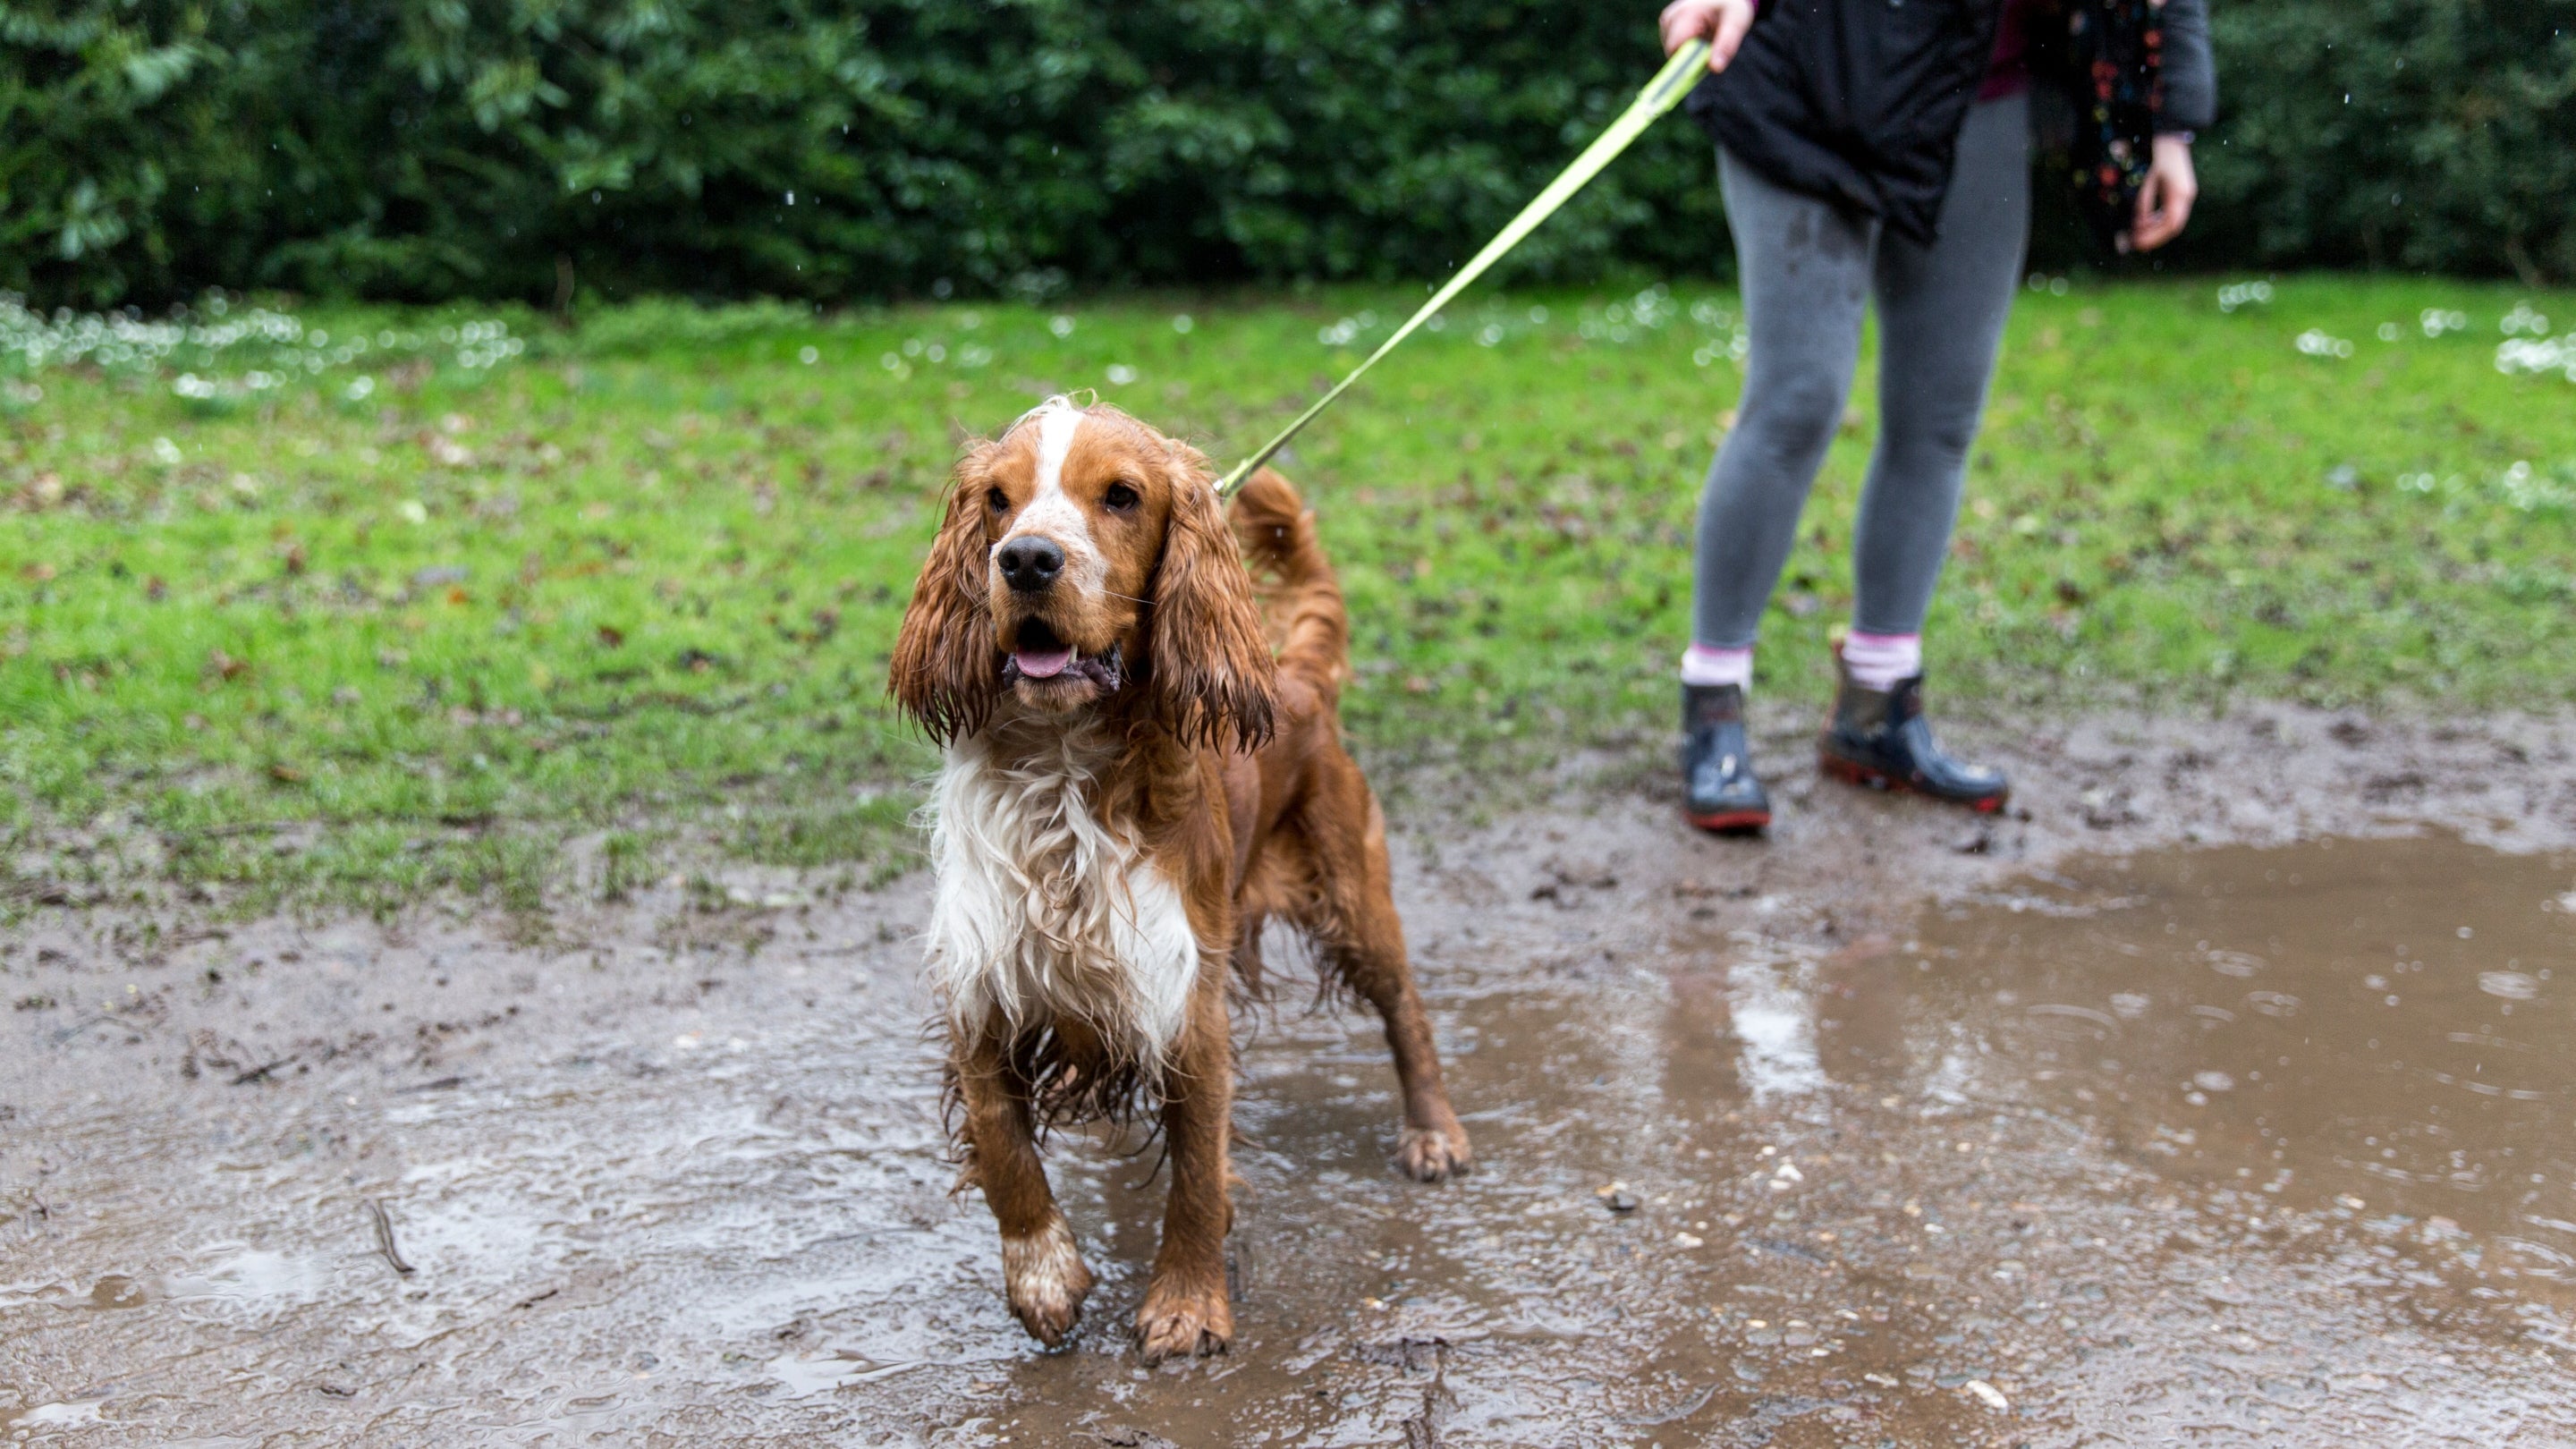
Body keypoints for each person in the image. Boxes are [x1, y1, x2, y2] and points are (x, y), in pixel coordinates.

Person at [1657, 0, 2215, 833]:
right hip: (1811, 74)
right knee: (1799, 397)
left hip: (1977, 95)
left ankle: (1877, 713)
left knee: (1941, 410)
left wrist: (2172, 123)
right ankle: (1713, 712)